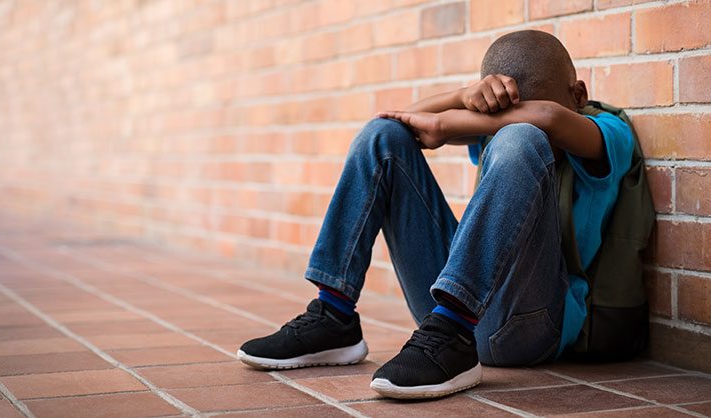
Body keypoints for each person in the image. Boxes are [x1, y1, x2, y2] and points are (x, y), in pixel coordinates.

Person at [237, 30, 634, 399]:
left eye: (507, 116)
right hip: (445, 316)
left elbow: (546, 119)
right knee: (383, 136)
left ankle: (454, 335)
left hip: (532, 327)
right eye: (501, 116)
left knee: (522, 137)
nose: (501, 125)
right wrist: (465, 96)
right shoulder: (495, 128)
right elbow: (402, 120)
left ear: (578, 94)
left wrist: (447, 123)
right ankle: (334, 313)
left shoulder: (607, 132)